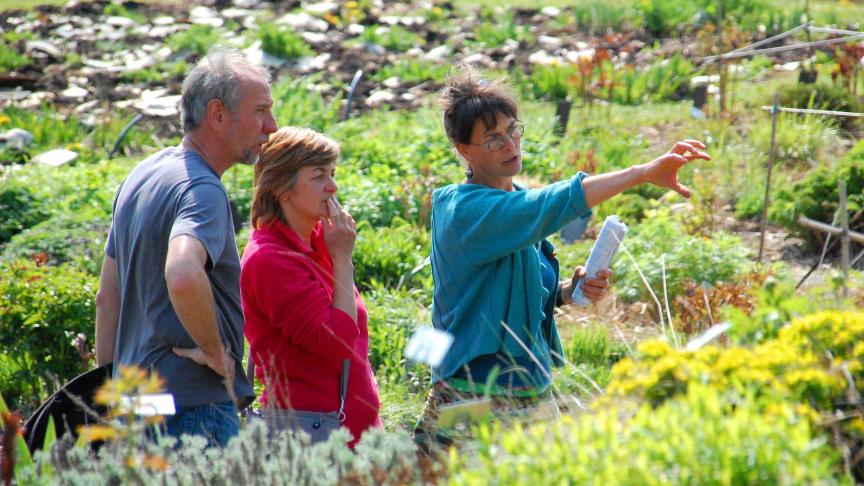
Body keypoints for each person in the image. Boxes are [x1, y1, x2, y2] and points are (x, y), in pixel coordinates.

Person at [425, 67, 711, 419]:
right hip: (473, 396)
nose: (511, 144)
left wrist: (569, 290)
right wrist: (641, 173)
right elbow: (550, 204)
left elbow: (513, 295)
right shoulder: (465, 211)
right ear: (465, 150)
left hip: (528, 391)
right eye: (494, 139)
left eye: (513, 130)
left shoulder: (515, 200)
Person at [94, 48, 277, 447]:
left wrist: (109, 390)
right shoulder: (202, 190)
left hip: (134, 405)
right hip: (191, 411)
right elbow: (181, 273)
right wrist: (214, 353)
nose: (272, 126)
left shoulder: (144, 173)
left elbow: (107, 298)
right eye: (261, 111)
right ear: (217, 114)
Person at [240, 126, 381, 446]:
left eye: (332, 173)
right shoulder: (270, 260)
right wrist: (342, 260)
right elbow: (338, 343)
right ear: (281, 187)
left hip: (350, 432)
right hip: (309, 439)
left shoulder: (321, 240)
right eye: (318, 176)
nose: (333, 186)